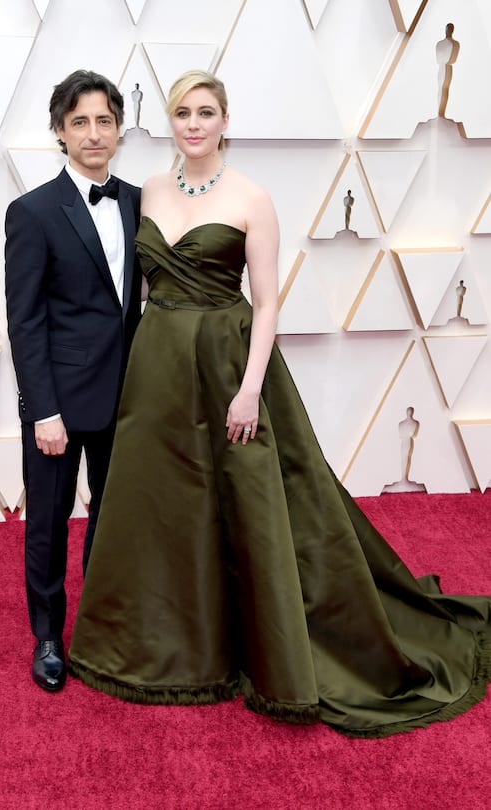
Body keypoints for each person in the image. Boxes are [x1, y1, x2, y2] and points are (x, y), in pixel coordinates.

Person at [68, 70, 490, 736]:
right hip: (158, 369)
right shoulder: (148, 189)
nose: (195, 123)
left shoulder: (251, 198)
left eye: (206, 112)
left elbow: (266, 303)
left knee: (250, 505)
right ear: (170, 122)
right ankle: (160, 648)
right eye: (183, 112)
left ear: (225, 120)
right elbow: (142, 291)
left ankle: (264, 645)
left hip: (231, 364)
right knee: (162, 508)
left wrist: (249, 390)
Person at [5, 69, 142, 693]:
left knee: (116, 522)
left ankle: (102, 626)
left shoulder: (141, 201)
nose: (94, 133)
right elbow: (25, 323)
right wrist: (42, 411)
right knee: (50, 523)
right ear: (60, 131)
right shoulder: (31, 212)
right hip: (57, 404)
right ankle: (50, 635)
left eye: (104, 121)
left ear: (119, 129)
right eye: (80, 121)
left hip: (128, 399)